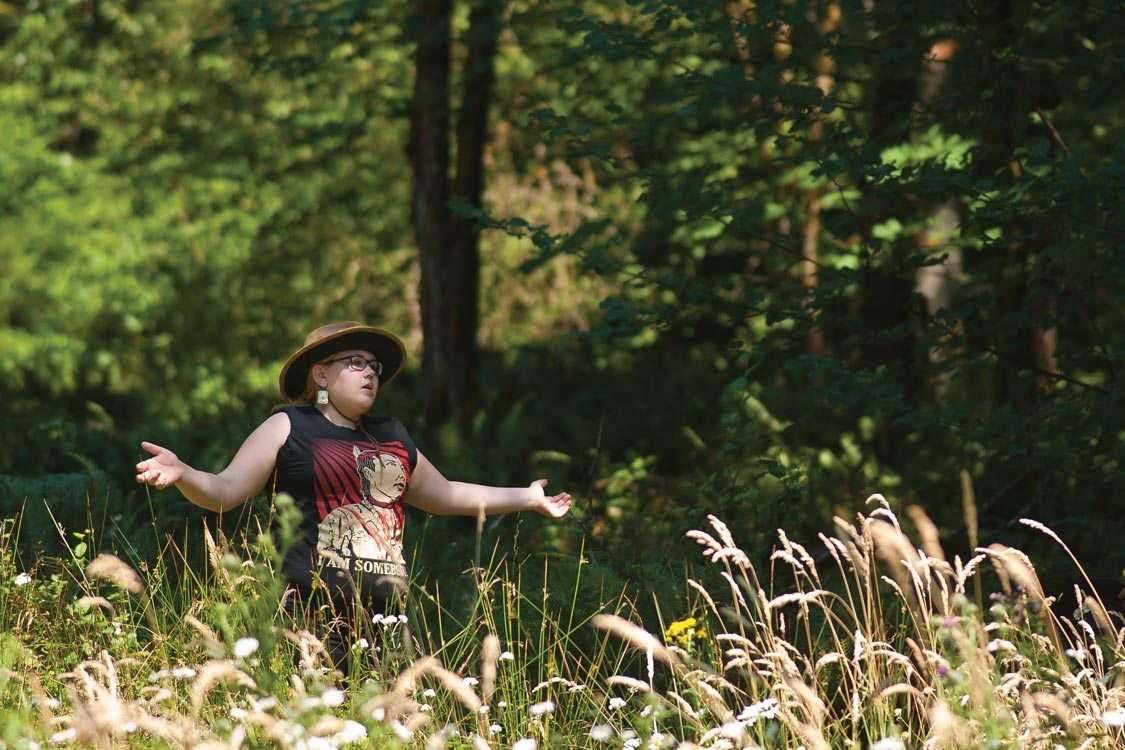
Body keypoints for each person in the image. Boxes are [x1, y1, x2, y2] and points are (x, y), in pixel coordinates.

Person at [135, 321, 571, 674]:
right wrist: (185, 472)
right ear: (320, 374)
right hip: (310, 620)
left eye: (375, 366)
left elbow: (446, 494)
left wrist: (528, 498)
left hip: (391, 622)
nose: (370, 373)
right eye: (356, 362)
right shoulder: (289, 426)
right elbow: (225, 492)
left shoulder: (393, 435)